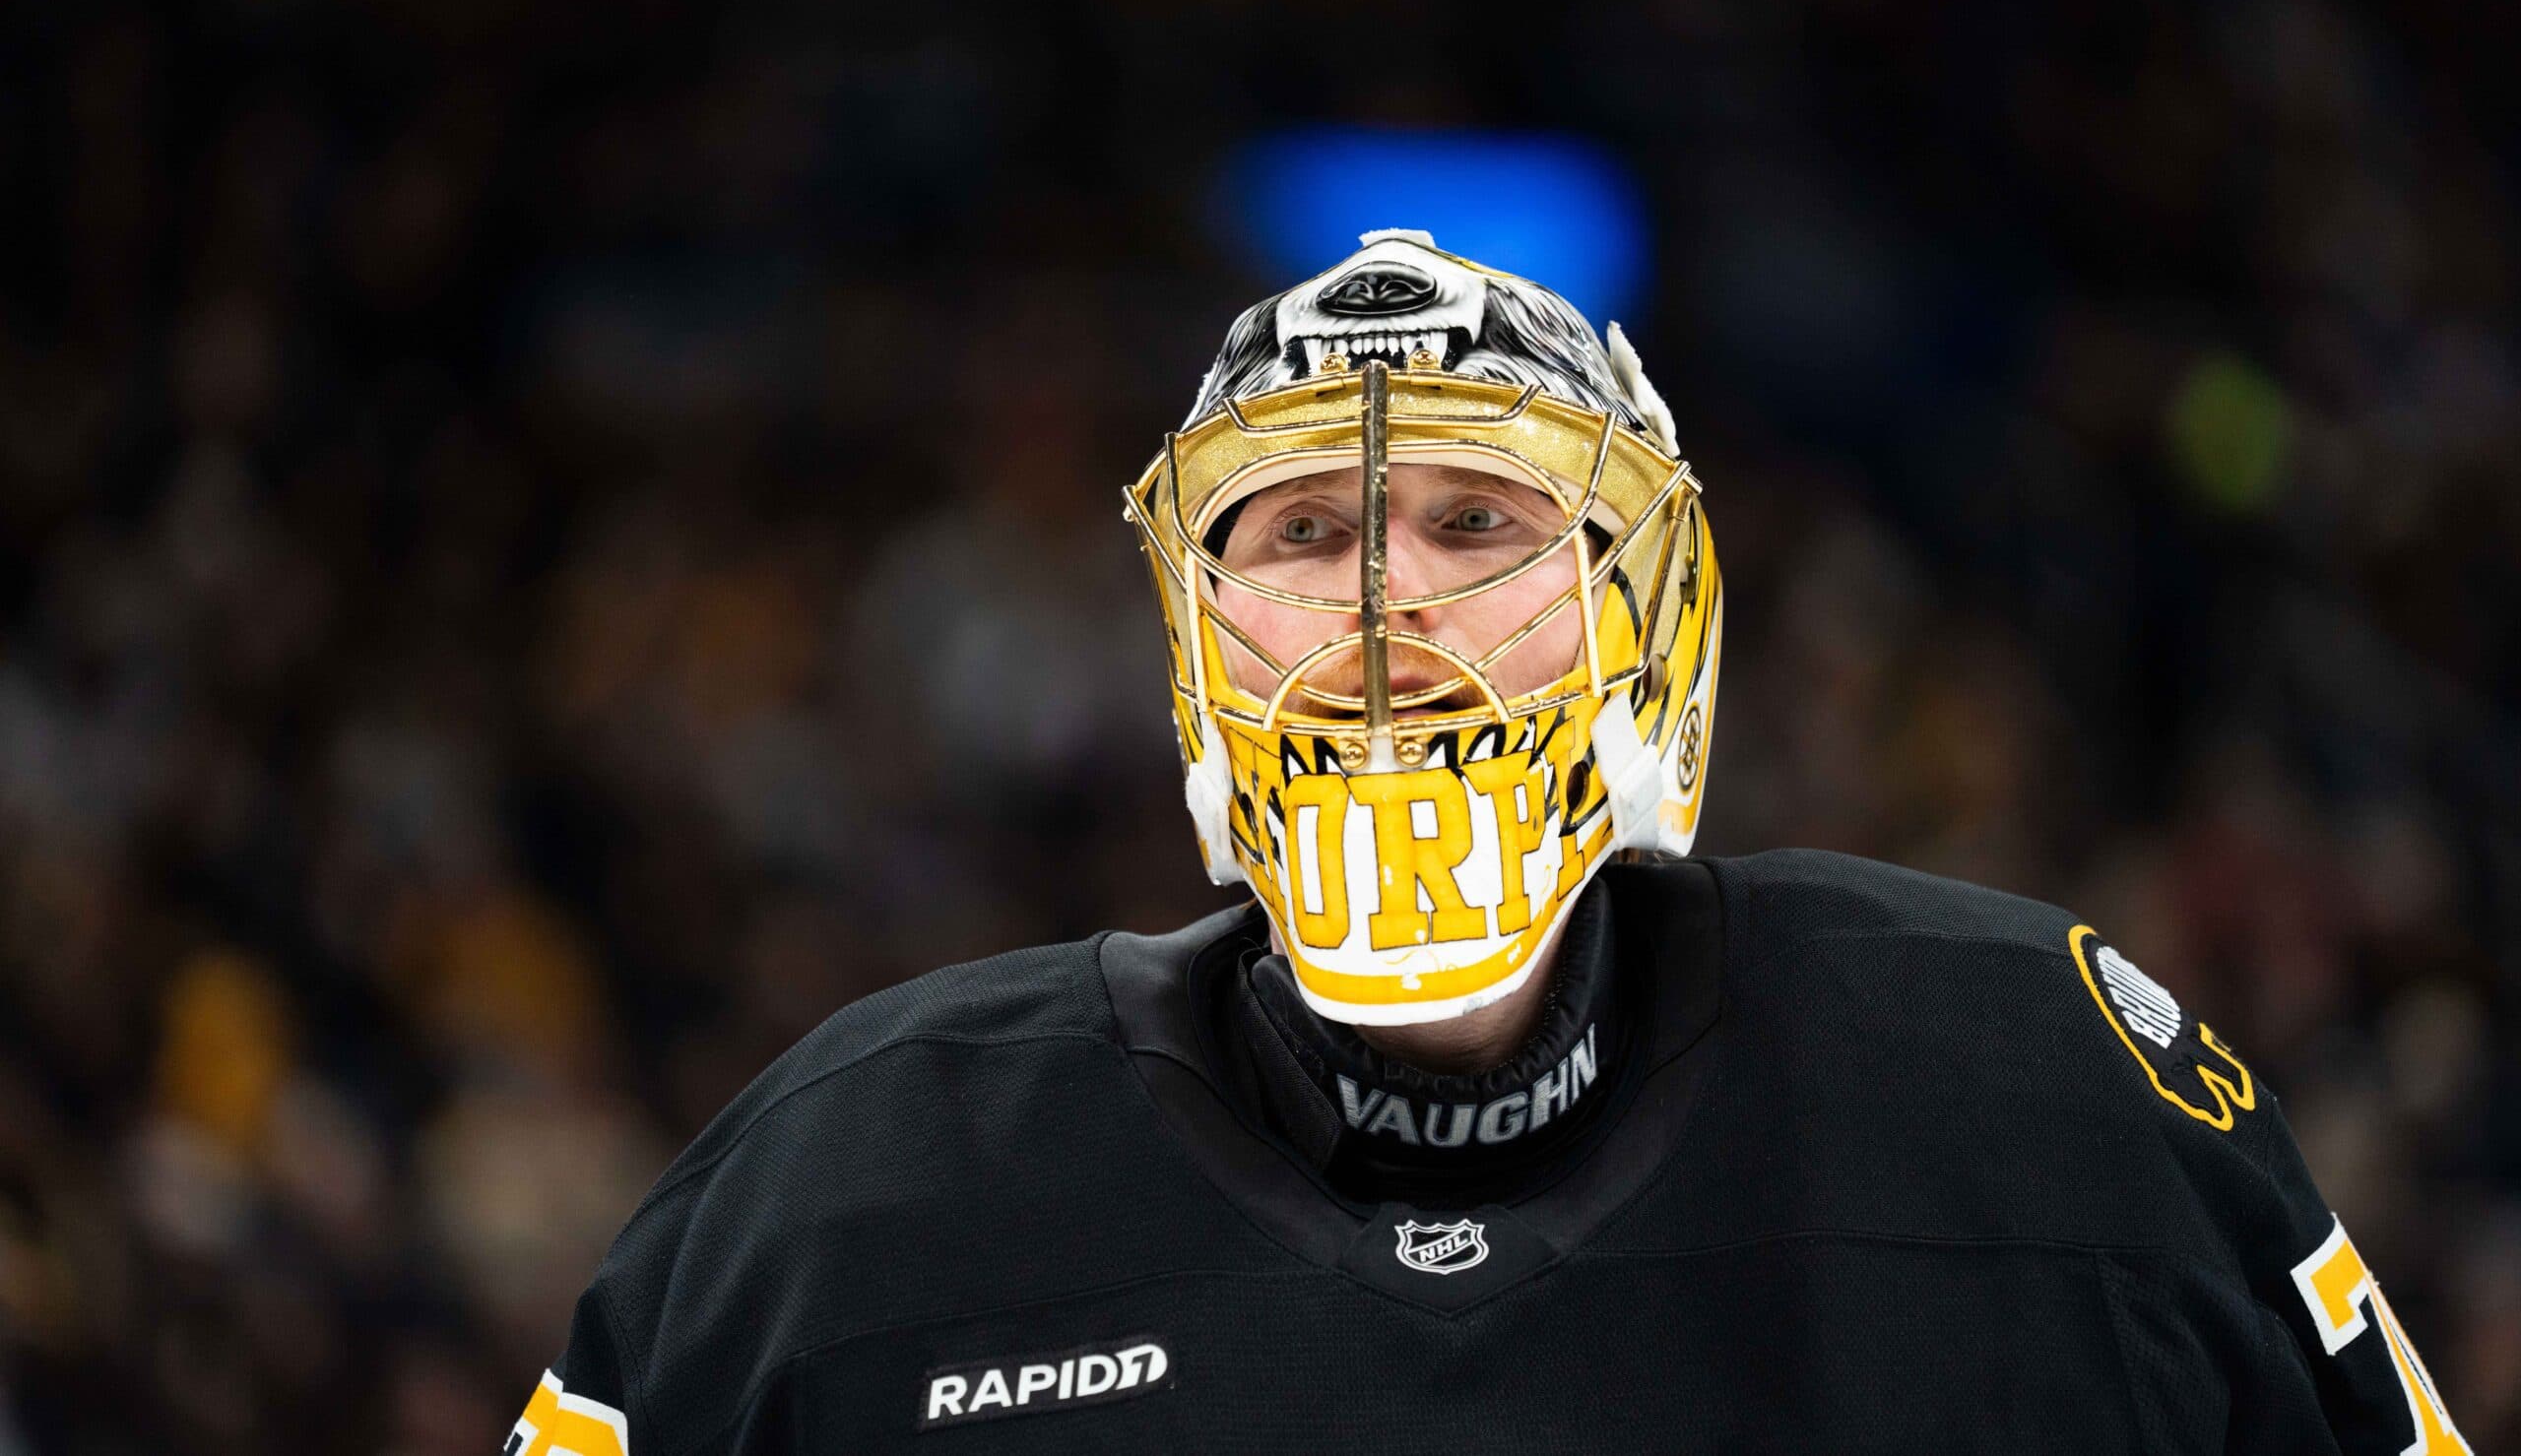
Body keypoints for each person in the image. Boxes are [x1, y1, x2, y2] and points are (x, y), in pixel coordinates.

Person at [506, 232, 2468, 1453]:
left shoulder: (2055, 1096)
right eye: (1297, 529)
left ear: (1644, 615)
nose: (1381, 602)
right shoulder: (838, 1188)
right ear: (1192, 640)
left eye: (1475, 521)